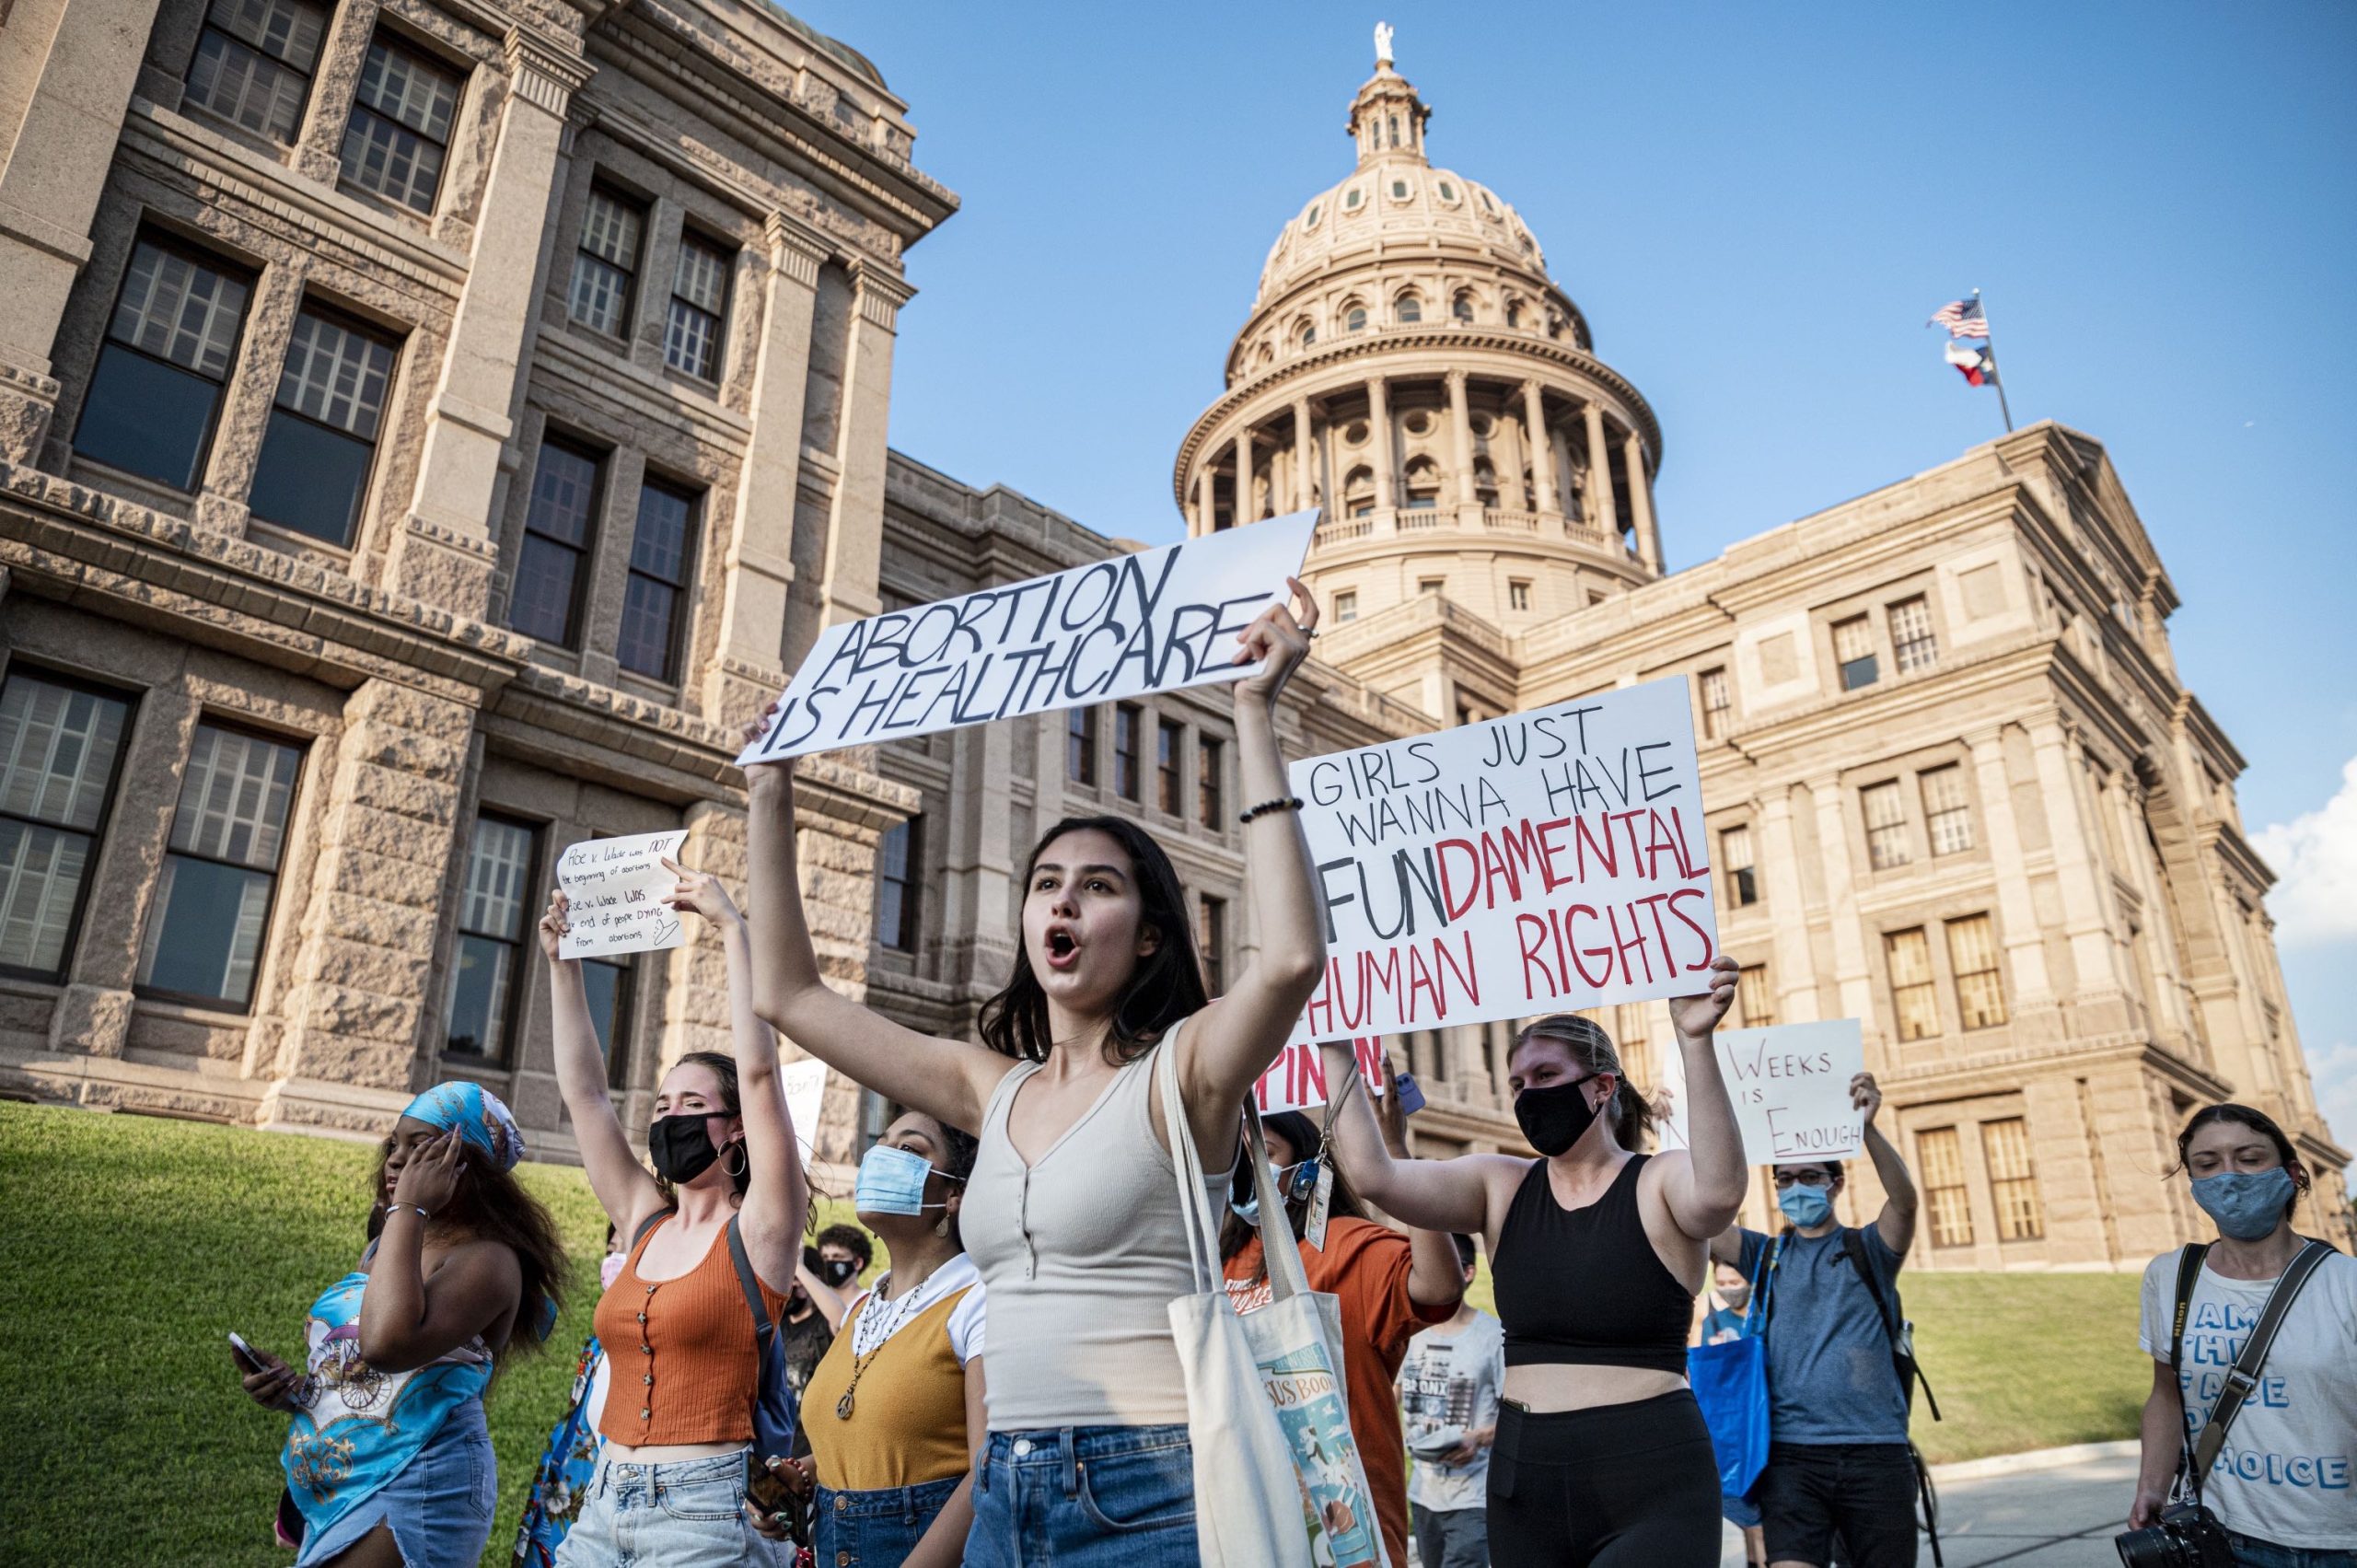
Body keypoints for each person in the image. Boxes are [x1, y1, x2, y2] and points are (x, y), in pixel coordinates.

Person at [745, 578, 1324, 1566]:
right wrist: (769, 789)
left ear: (1145, 937)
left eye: (1097, 886)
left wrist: (1252, 715)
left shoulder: (1183, 1071)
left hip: (1150, 1481)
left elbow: (1288, 961)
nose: (1063, 900)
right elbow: (791, 995)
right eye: (1046, 884)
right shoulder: (989, 1085)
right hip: (1005, 1481)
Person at [1314, 982, 1748, 1568]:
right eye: (1517, 1083)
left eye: (1545, 1076)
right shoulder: (1502, 1183)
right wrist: (1335, 1046)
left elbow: (1719, 1194)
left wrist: (1695, 1039)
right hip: (1527, 1476)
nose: (1527, 1095)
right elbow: (1375, 1178)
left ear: (1601, 1086)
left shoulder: (1658, 1180)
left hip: (1650, 1473)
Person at [541, 857, 809, 1567]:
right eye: (663, 1106)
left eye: (693, 1106)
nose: (671, 1117)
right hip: (603, 1498)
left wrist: (731, 928)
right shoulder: (644, 1220)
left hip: (701, 1509)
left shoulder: (761, 1232)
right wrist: (563, 965)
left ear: (736, 1128)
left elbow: (758, 1074)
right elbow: (587, 1096)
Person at [238, 1082, 567, 1568]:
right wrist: (301, 1392)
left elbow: (388, 1344)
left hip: (423, 1476)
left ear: (466, 1164)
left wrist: (409, 1208)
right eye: (396, 1144)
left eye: (422, 1148)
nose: (396, 1160)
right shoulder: (382, 1248)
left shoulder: (489, 1261)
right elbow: (374, 1374)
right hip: (355, 1471)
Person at [1219, 1071, 1464, 1568]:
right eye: (1238, 1155)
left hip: (1343, 1524)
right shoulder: (1221, 1260)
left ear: (1308, 1166)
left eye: (1265, 1150)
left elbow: (1438, 1288)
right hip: (1246, 1510)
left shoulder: (1347, 1245)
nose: (1250, 1167)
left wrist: (1395, 1155)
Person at [1705, 1072, 1922, 1568]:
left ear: (1836, 1184)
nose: (1795, 1188)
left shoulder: (1869, 1249)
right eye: (1784, 1179)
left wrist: (1867, 1128)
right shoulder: (1763, 1256)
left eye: (1809, 1178)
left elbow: (1905, 1203)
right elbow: (1700, 1216)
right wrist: (1665, 1139)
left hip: (1876, 1454)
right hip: (1792, 1458)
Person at [2129, 1102, 2357, 1567]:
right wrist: (2152, 1484)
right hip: (2225, 1537)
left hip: (2341, 1540)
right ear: (2193, 1183)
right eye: (2207, 1165)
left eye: (2250, 1159)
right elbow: (2167, 1394)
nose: (2228, 1177)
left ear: (2292, 1173)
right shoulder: (2170, 1276)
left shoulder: (2346, 1283)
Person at [761, 1110, 989, 1567]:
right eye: (880, 1144)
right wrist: (801, 1477)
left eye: (909, 1149)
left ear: (954, 1195)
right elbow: (872, 1446)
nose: (880, 1157)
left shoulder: (980, 1301)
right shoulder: (864, 1310)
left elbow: (990, 1470)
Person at [513, 1231, 631, 1566]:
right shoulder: (598, 1342)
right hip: (564, 1491)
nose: (615, 1260)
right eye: (611, 1249)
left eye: (628, 1247)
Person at [1396, 1233, 1504, 1568]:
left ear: (1468, 1273)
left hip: (1472, 1499)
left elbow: (1521, 1417)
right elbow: (1390, 1396)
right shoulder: (1409, 1334)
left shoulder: (1493, 1337)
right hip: (1421, 1495)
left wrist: (1477, 1439)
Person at [1698, 1260, 1767, 1568]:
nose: (1729, 1290)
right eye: (1722, 1283)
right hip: (1728, 1435)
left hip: (1761, 1427)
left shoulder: (1763, 1318)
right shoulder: (1713, 1322)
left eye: (1735, 1282)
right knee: (1748, 1522)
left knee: (1761, 1525)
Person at [783, 1243, 842, 1386]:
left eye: (794, 1279)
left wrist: (800, 1268)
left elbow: (842, 1320)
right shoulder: (776, 1324)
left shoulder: (824, 1324)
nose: (786, 1286)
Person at [817, 1221, 877, 1295]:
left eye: (837, 1257)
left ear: (858, 1263)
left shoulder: (870, 1303)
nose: (829, 1262)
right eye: (825, 1257)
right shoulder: (816, 1301)